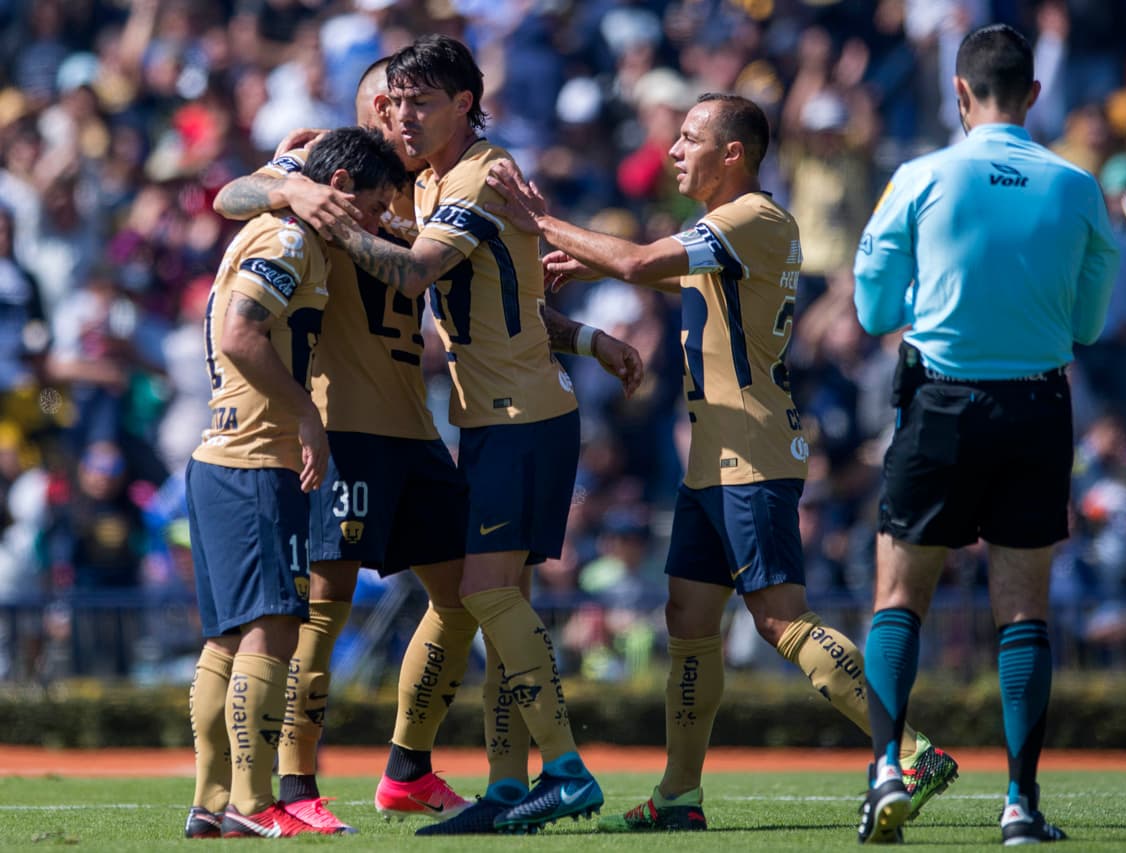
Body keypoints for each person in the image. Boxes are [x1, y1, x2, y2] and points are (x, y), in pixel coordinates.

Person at [484, 92, 958, 834]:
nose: (674, 150)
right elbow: (656, 272)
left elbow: (641, 260)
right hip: (715, 461)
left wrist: (540, 221)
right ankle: (679, 793)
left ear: (732, 153)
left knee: (780, 621)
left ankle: (910, 751)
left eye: (689, 137)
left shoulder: (752, 220)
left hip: (753, 454)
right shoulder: (731, 232)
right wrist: (581, 272)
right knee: (689, 617)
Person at [210, 56, 641, 834]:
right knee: (323, 609)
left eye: (410, 103)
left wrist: (584, 336)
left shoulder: (433, 186)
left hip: (420, 427)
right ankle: (296, 779)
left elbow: (482, 294)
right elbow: (228, 197)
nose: (397, 118)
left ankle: (408, 765)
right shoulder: (326, 170)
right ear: (364, 110)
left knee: (465, 596)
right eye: (386, 104)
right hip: (343, 425)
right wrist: (291, 182)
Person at [852, 24, 1118, 844]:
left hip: (940, 405)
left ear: (959, 93)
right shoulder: (1078, 186)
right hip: (1038, 410)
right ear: (1034, 95)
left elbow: (871, 311)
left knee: (900, 598)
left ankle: (887, 771)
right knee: (1022, 612)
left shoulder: (920, 177)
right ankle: (1019, 803)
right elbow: (1091, 324)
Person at [184, 125, 407, 839]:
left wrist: (285, 160)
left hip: (219, 455)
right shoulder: (290, 240)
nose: (374, 226)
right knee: (275, 625)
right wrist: (306, 414)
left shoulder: (274, 218)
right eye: (372, 207)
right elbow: (241, 334)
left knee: (225, 638)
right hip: (254, 459)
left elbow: (238, 191)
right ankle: (252, 804)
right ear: (338, 189)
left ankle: (210, 799)